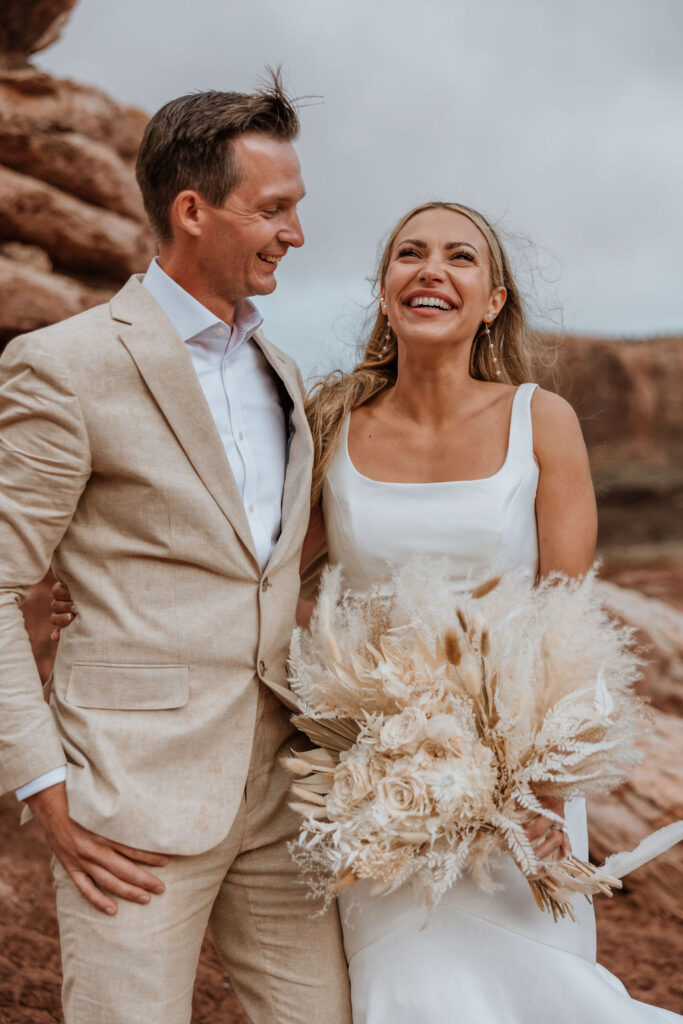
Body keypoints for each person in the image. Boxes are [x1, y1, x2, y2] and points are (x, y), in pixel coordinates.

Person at [54, 198, 682, 1020]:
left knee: (541, 994)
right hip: (380, 779)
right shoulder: (334, 425)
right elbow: (264, 572)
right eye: (408, 254)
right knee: (405, 995)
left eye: (460, 258)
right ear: (384, 288)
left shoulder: (541, 420)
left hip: (523, 781)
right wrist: (119, 587)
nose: (431, 270)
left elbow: (567, 615)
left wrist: (540, 786)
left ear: (493, 300)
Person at [0, 76, 352, 1024]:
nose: (296, 233)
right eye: (273, 209)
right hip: (130, 801)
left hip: (281, 794)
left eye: (297, 208)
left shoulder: (277, 368)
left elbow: (267, 559)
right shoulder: (66, 364)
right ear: (192, 210)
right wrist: (42, 787)